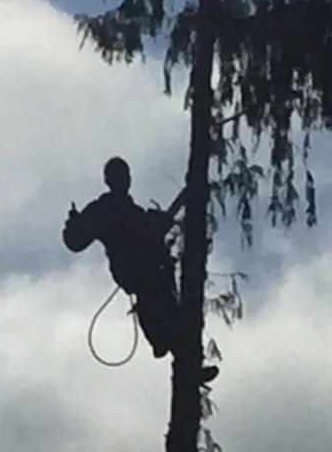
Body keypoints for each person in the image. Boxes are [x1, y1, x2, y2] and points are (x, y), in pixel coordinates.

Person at [63, 157, 219, 384]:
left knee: (170, 311)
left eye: (124, 176)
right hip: (137, 271)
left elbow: (153, 228)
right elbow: (75, 241)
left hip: (152, 270)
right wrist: (73, 224)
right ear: (109, 180)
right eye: (118, 176)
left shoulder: (132, 212)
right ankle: (168, 346)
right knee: (157, 305)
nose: (123, 180)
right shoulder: (103, 210)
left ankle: (178, 355)